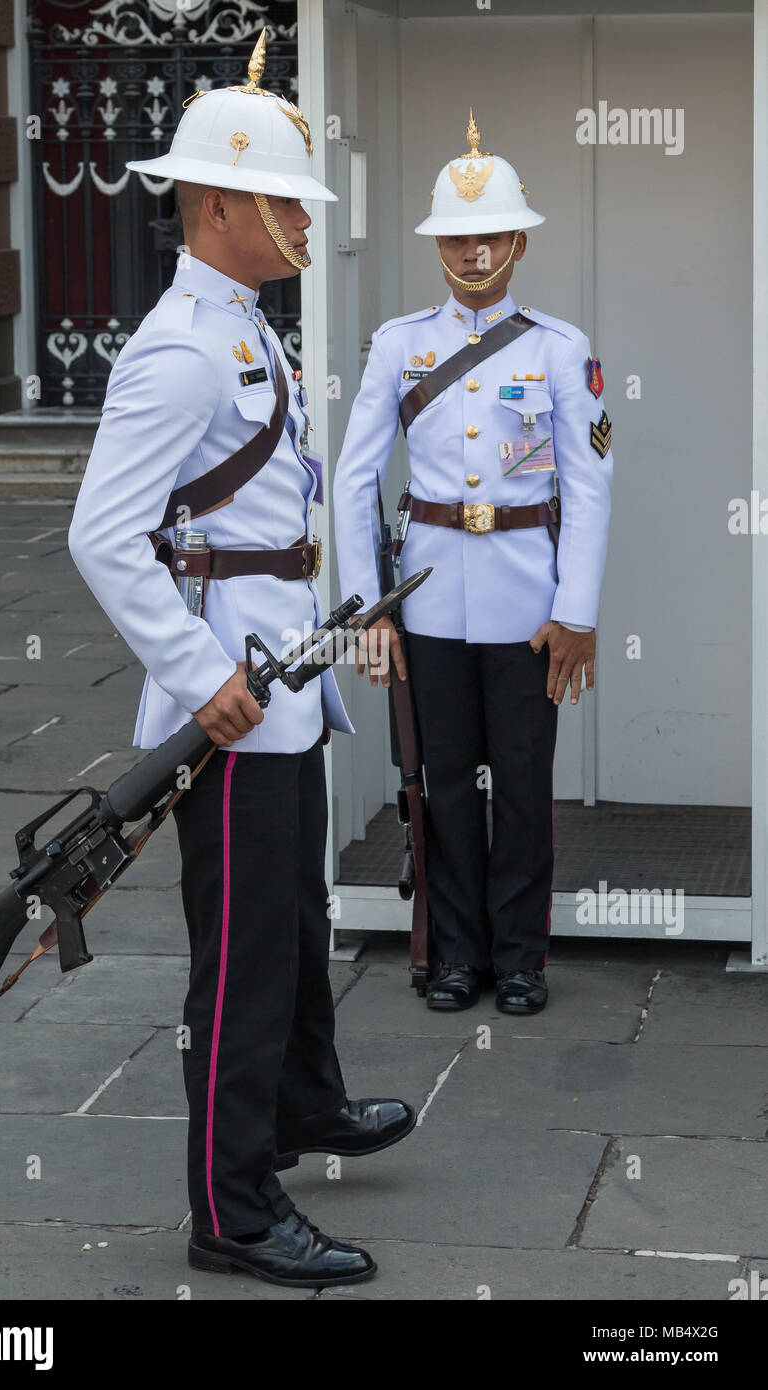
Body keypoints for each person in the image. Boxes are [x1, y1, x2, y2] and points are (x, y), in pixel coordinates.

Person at [68, 30, 415, 1289]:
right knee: (244, 958)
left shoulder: (245, 328)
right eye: (283, 202)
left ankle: (306, 1101)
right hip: (228, 696)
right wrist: (192, 668)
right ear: (219, 206)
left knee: (298, 916)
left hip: (279, 676)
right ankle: (233, 1203)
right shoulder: (178, 348)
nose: (303, 223)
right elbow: (103, 534)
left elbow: (267, 524)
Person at [333, 112, 613, 1016]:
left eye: (490, 234)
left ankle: (522, 957)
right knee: (441, 784)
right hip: (426, 600)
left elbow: (591, 488)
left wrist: (578, 612)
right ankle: (456, 953)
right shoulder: (397, 344)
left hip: (529, 601)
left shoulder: (559, 349)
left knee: (524, 789)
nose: (474, 250)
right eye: (457, 236)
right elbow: (352, 479)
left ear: (520, 240)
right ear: (437, 244)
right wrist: (370, 610)